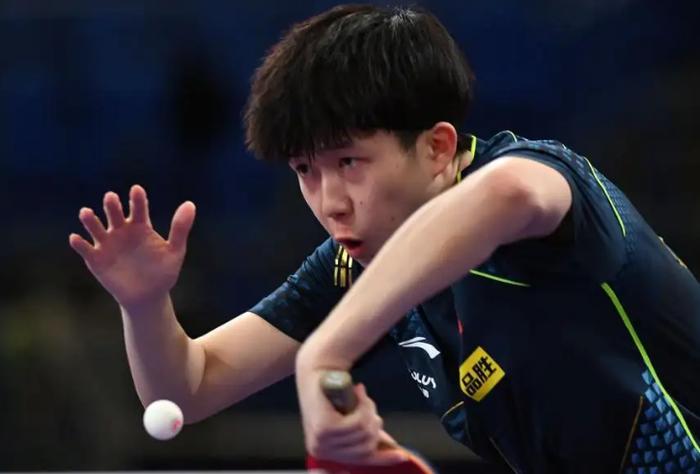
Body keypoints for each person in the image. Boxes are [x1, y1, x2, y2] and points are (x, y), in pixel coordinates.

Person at [70, 4, 700, 472]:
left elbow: (511, 194)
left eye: (349, 162)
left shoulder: (545, 183)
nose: (329, 201)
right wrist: (145, 305)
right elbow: (187, 389)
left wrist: (324, 354)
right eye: (305, 171)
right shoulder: (352, 264)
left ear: (438, 147)